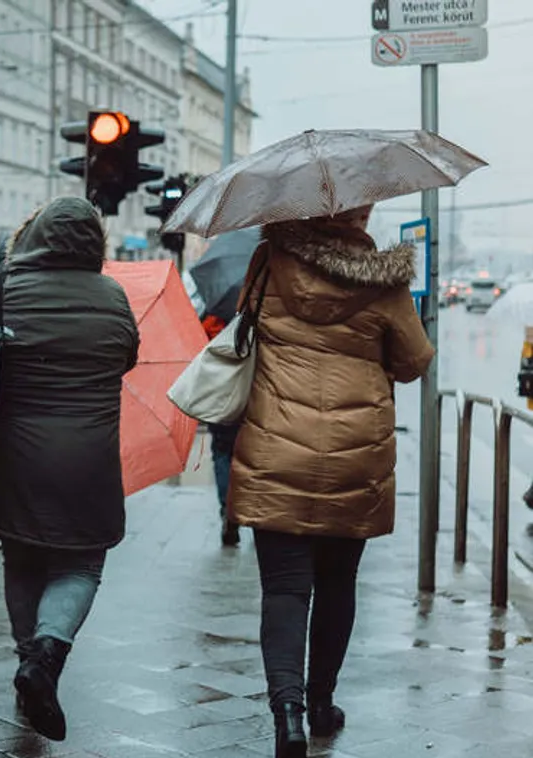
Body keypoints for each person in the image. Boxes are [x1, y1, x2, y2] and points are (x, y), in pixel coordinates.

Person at [227, 206, 434, 758]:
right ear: (361, 215)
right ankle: (321, 702)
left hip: (277, 448)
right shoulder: (385, 281)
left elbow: (244, 321)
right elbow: (414, 361)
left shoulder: (269, 262)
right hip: (354, 455)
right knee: (338, 583)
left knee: (284, 589)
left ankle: (287, 714)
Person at [0, 197, 139, 742]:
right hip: (89, 462)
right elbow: (127, 358)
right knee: (82, 565)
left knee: (21, 559)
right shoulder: (114, 297)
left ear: (35, 237)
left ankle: (29, 663)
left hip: (13, 457)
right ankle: (45, 660)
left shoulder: (2, 287)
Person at [201, 313, 243, 547]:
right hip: (250, 393)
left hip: (219, 394)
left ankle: (227, 509)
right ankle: (254, 513)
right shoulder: (260, 312)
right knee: (254, 455)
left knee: (222, 452)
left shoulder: (212, 318)